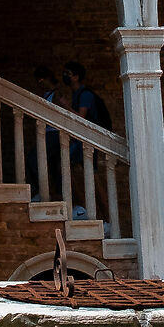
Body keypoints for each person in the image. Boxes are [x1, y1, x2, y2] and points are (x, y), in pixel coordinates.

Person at [63, 60, 110, 221]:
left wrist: (64, 106)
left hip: (88, 142)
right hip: (81, 142)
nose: (65, 77)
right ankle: (86, 209)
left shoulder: (85, 95)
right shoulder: (77, 94)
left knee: (92, 177)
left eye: (68, 74)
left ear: (76, 77)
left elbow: (81, 118)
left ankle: (96, 214)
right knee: (89, 177)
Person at [33, 66, 61, 199]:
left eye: (41, 80)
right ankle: (51, 193)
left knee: (34, 159)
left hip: (55, 134)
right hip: (47, 133)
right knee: (53, 166)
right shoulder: (46, 94)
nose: (40, 84)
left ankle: (45, 192)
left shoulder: (57, 95)